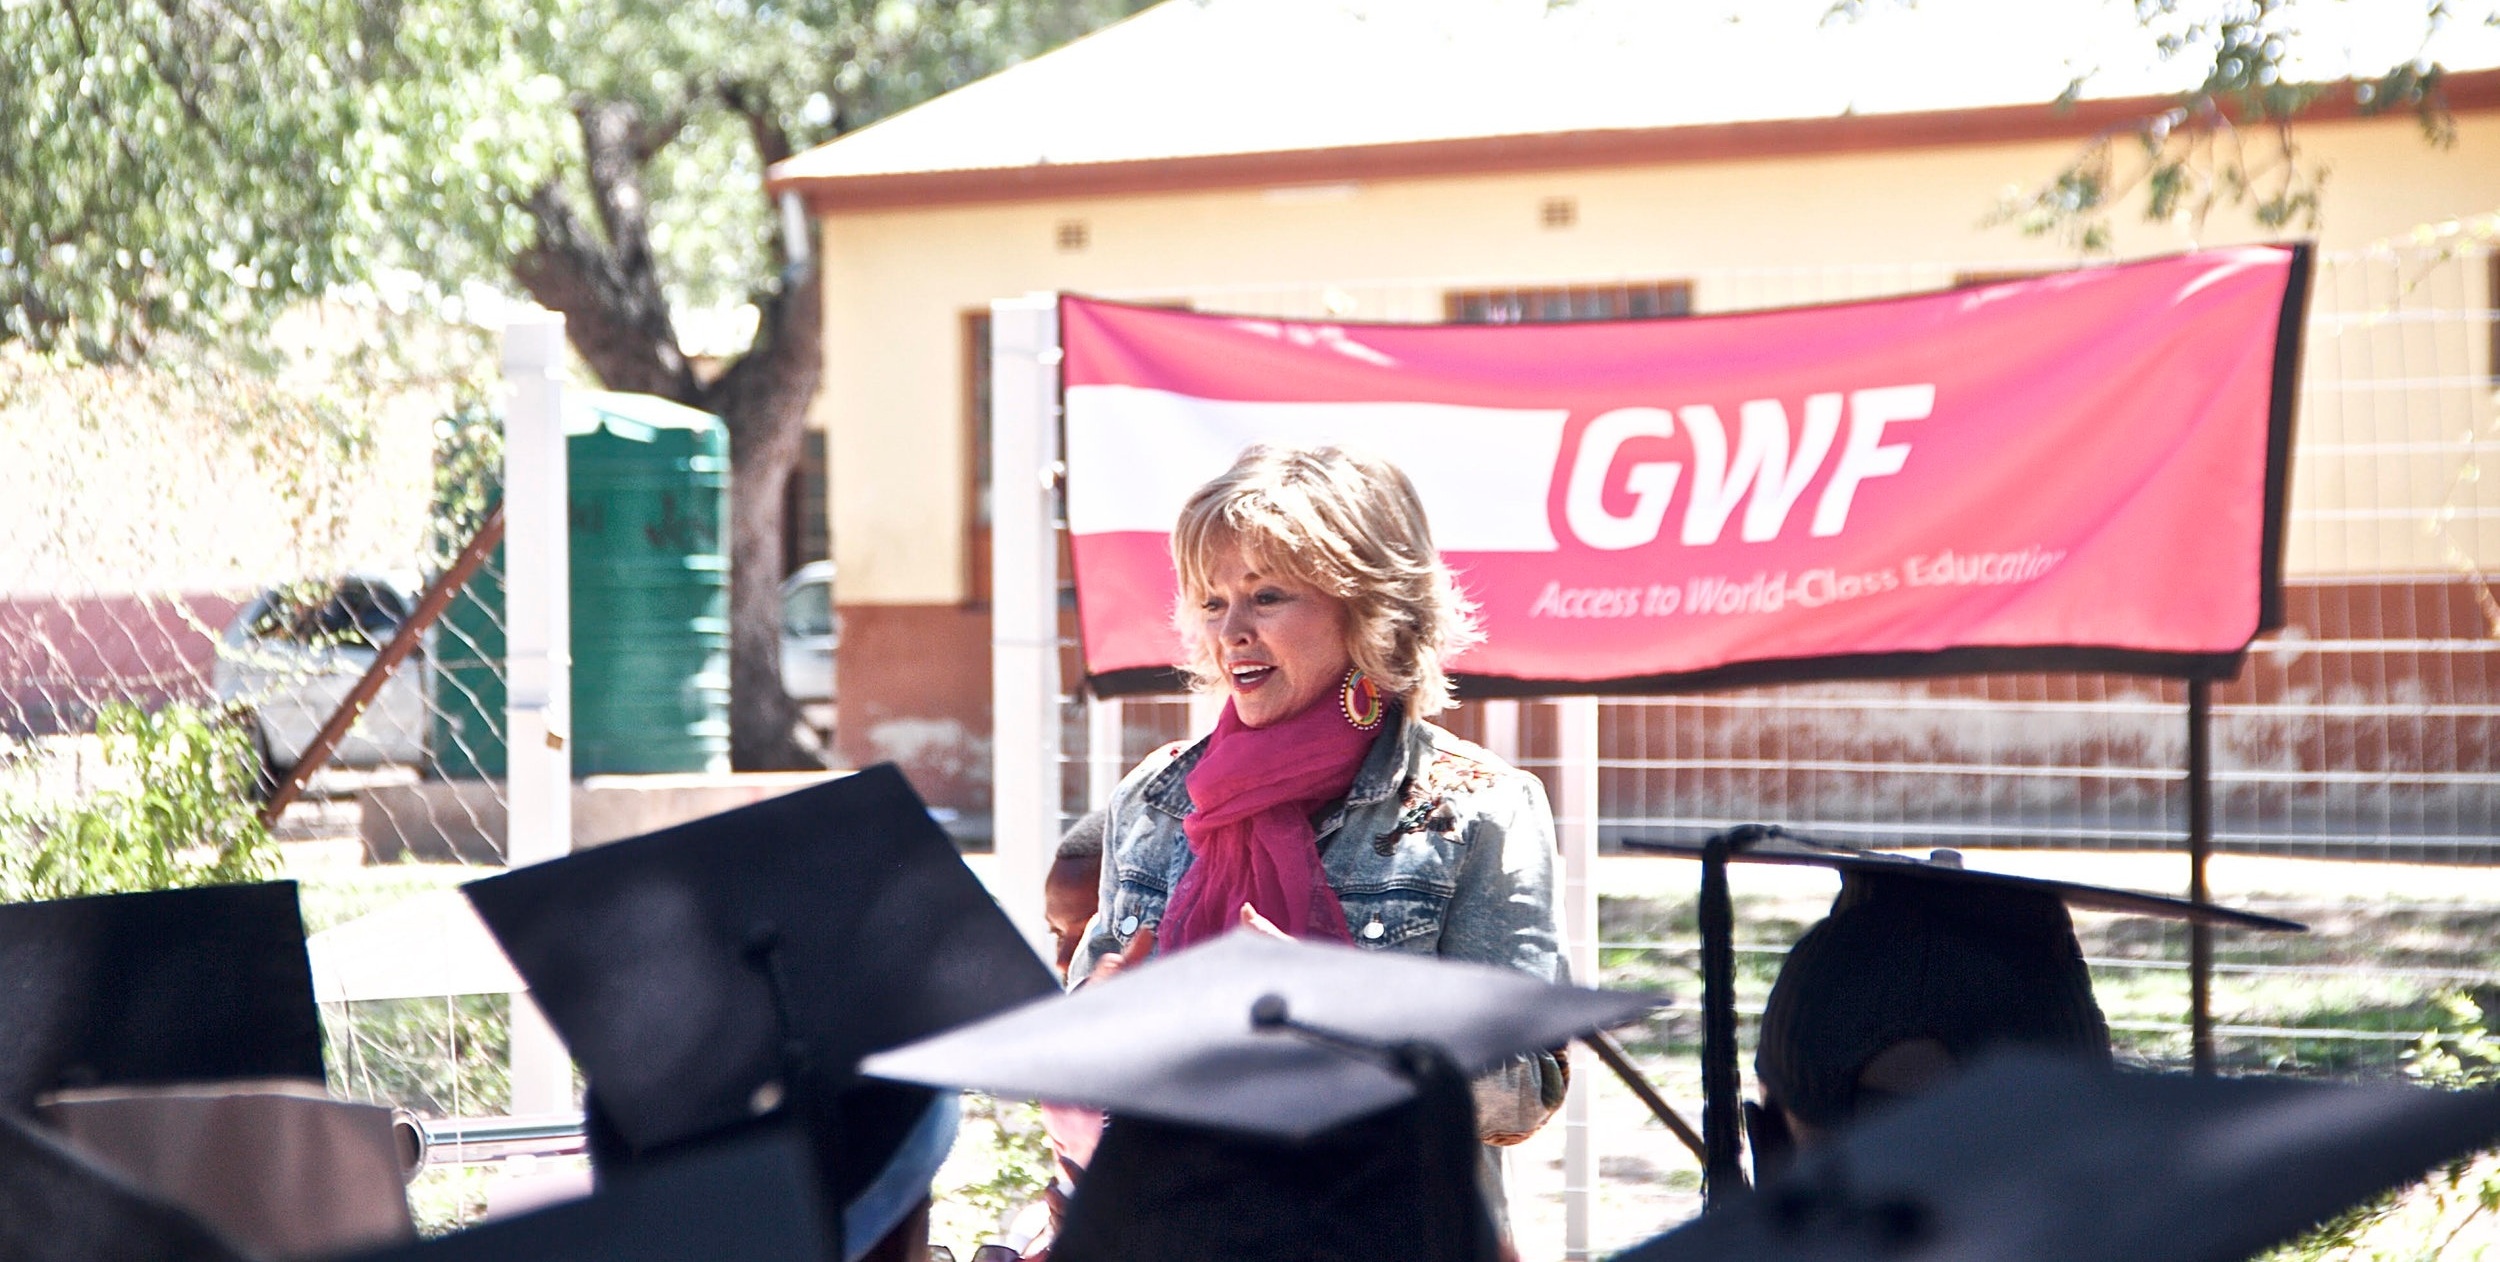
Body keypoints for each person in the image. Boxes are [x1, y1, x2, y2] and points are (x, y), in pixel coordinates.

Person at [1062, 443, 1567, 1226]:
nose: (1231, 630)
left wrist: (1343, 1018)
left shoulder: (1478, 808)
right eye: (1210, 600)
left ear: (1367, 607)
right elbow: (1077, 1058)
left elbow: (1527, 1086)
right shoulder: (1157, 798)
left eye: (1266, 596)